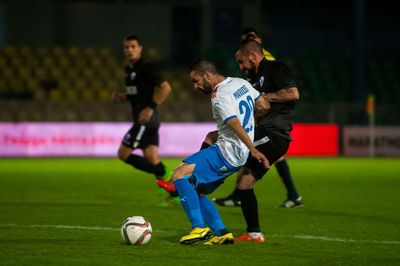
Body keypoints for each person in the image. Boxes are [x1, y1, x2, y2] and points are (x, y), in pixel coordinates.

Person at [157, 58, 270, 245]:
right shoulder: (241, 83)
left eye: (196, 81)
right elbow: (265, 105)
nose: (195, 87)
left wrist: (253, 149)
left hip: (227, 152)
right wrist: (251, 122)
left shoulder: (219, 95)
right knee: (197, 191)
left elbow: (233, 123)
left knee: (178, 175)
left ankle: (199, 229)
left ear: (207, 75)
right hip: (239, 157)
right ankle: (222, 232)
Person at [213, 27, 303, 208]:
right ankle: (254, 225)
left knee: (228, 147)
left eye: (248, 39)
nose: (240, 66)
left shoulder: (273, 65)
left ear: (254, 51)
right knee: (244, 176)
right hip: (263, 128)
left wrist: (263, 98)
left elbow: (292, 93)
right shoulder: (252, 76)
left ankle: (194, 183)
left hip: (273, 131)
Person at [111, 35, 176, 204]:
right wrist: (122, 96)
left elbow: (166, 88)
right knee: (151, 157)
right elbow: (136, 93)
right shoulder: (129, 70)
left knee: (123, 154)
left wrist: (150, 107)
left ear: (140, 48)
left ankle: (164, 174)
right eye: (126, 47)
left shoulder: (146, 67)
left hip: (145, 120)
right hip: (147, 120)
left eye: (133, 46)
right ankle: (176, 194)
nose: (129, 50)